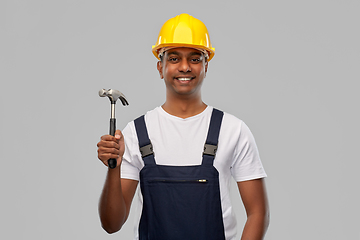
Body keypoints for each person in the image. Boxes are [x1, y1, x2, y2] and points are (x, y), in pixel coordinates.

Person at [97, 13, 269, 240]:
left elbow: (258, 213)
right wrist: (113, 168)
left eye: (195, 58)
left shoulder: (233, 130)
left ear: (206, 66)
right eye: (174, 58)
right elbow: (111, 224)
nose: (185, 67)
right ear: (160, 67)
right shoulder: (136, 133)